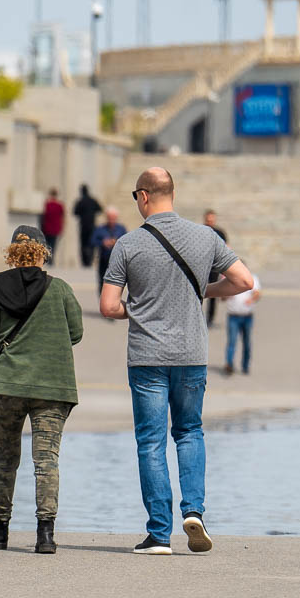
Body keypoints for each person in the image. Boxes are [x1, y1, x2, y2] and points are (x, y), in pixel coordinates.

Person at [100, 168, 254, 555]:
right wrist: (205, 290)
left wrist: (136, 309)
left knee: (151, 442)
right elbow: (244, 281)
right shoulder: (207, 237)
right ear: (172, 193)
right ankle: (195, 511)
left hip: (147, 358)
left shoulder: (127, 244)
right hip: (191, 356)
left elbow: (107, 306)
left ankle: (158, 534)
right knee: (189, 432)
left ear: (145, 197)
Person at [0, 226, 83, 554]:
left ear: (12, 251)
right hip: (53, 386)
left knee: (5, 459)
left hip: (7, 384)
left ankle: (0, 528)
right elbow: (76, 333)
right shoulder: (61, 289)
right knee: (46, 459)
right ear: (43, 251)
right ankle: (45, 534)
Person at [223, 273, 261, 376]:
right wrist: (226, 294)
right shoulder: (228, 280)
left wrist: (251, 299)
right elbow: (222, 298)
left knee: (246, 341)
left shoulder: (252, 278)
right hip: (233, 315)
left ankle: (245, 365)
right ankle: (229, 364)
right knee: (232, 341)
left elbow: (257, 293)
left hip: (247, 316)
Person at [90, 206, 127, 294]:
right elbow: (92, 241)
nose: (111, 220)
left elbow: (127, 241)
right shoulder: (100, 229)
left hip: (117, 260)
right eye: (110, 218)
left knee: (116, 283)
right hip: (104, 259)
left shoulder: (121, 229)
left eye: (113, 218)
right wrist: (103, 243)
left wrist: (116, 242)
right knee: (102, 281)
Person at [203, 210, 228, 327]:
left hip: (214, 268)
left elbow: (226, 250)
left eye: (212, 219)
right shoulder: (199, 231)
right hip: (201, 267)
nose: (210, 221)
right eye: (208, 219)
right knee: (197, 292)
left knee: (212, 294)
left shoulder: (220, 233)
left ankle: (210, 319)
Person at [72, 184, 103, 267]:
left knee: (83, 244)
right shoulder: (92, 200)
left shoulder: (80, 201)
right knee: (91, 243)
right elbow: (100, 209)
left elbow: (75, 212)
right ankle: (89, 260)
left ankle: (85, 261)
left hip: (83, 226)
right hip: (92, 225)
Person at [40, 188, 65, 256]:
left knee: (47, 244)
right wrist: (62, 228)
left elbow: (43, 216)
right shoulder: (60, 205)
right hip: (55, 228)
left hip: (47, 228)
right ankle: (51, 259)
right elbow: (62, 217)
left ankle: (47, 258)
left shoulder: (47, 204)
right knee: (53, 245)